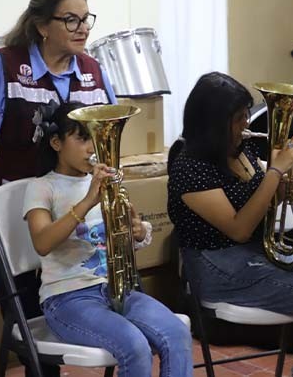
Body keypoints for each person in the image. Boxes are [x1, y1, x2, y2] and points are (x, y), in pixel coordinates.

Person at [0, 0, 117, 377]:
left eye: (86, 19)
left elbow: (111, 137)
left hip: (73, 211)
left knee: (75, 305)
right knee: (27, 317)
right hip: (13, 208)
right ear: (43, 25)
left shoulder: (93, 71)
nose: (83, 29)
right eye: (71, 20)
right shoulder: (4, 65)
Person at [167, 72, 293, 377]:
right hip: (219, 268)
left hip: (257, 255)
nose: (246, 124)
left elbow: (257, 199)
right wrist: (275, 172)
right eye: (238, 118)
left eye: (246, 114)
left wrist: (288, 188)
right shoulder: (189, 167)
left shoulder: (240, 150)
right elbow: (239, 228)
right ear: (213, 122)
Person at [22, 102, 192, 377]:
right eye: (82, 138)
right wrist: (88, 201)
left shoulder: (107, 182)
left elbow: (117, 238)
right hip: (68, 297)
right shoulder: (42, 187)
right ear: (56, 142)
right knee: (134, 346)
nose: (92, 147)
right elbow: (42, 242)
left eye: (93, 138)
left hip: (118, 289)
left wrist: (138, 232)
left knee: (177, 334)